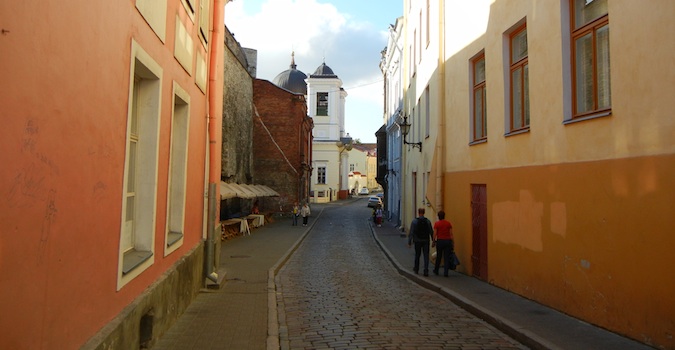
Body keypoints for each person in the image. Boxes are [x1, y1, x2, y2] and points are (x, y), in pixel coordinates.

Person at [407, 208, 434, 276]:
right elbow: (431, 231)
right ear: (424, 213)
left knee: (417, 255)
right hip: (426, 240)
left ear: (418, 213)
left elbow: (411, 232)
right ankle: (426, 270)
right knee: (426, 256)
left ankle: (416, 269)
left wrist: (409, 241)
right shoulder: (427, 221)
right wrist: (433, 240)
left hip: (417, 240)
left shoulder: (414, 221)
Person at [432, 210, 454, 277]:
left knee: (439, 256)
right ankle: (446, 272)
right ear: (444, 216)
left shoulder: (437, 224)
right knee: (446, 257)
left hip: (440, 241)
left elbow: (435, 233)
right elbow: (451, 234)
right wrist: (453, 242)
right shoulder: (448, 223)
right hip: (447, 241)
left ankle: (436, 270)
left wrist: (433, 241)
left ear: (438, 216)